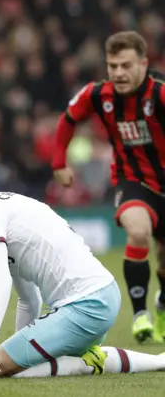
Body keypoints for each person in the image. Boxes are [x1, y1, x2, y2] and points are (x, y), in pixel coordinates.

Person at [0, 147, 165, 377]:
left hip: (84, 306)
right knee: (10, 363)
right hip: (102, 296)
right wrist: (21, 346)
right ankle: (160, 360)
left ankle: (87, 365)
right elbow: (28, 298)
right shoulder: (8, 205)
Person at [52, 30, 165, 344]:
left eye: (126, 65)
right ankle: (141, 314)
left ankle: (162, 305)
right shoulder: (97, 95)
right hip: (133, 181)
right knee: (139, 230)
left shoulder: (160, 94)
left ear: (143, 63)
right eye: (113, 65)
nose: (118, 73)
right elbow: (68, 119)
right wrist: (59, 162)